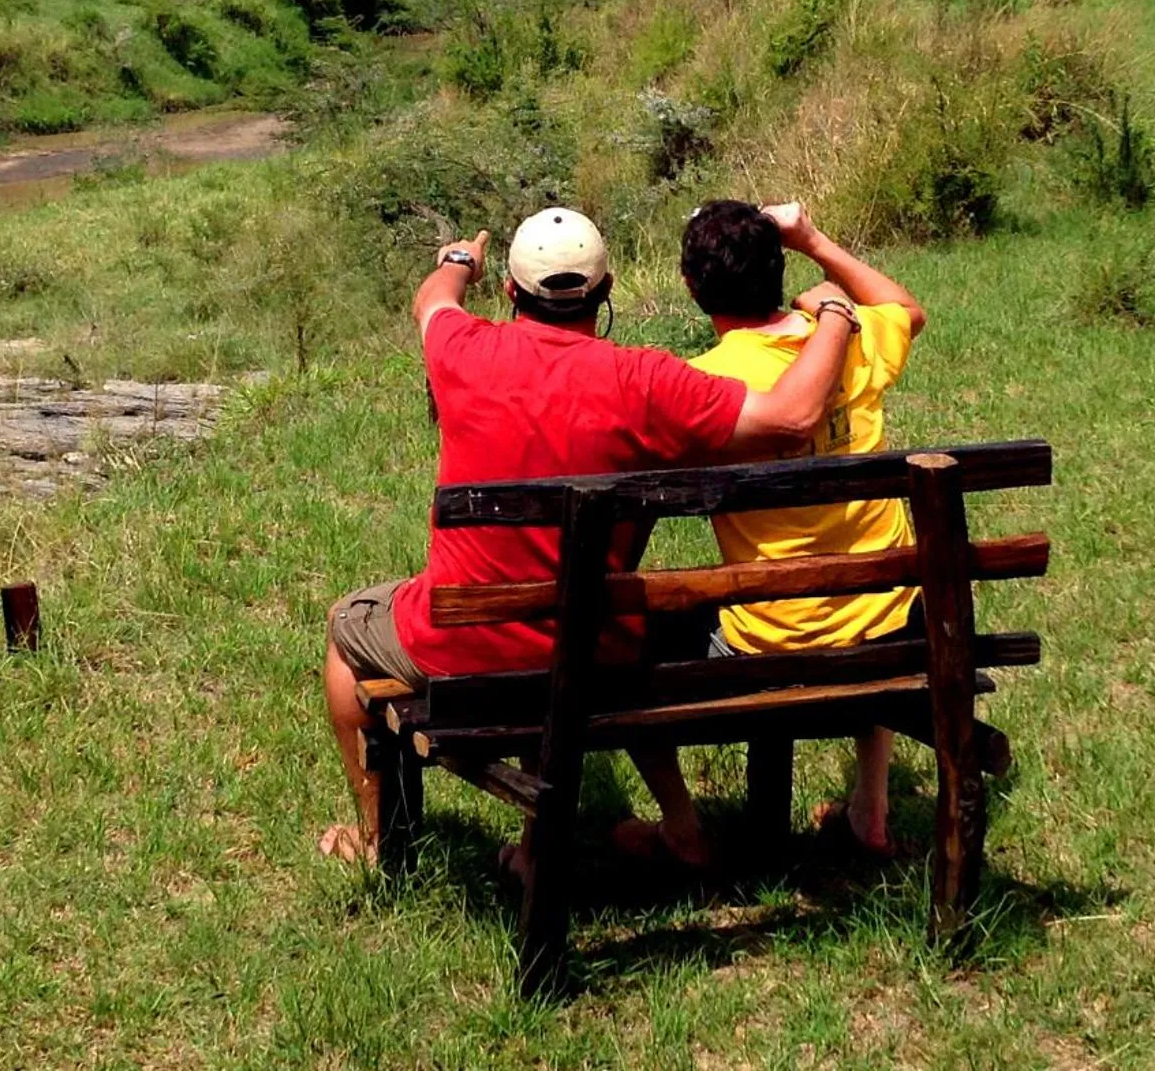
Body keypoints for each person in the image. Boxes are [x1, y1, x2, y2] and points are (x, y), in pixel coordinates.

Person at [319, 205, 859, 867]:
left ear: (513, 293)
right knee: (604, 616)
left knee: (348, 630)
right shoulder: (647, 382)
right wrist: (835, 315)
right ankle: (677, 824)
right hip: (599, 652)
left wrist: (460, 262)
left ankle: (377, 844)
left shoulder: (462, 350)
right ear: (606, 291)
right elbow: (791, 416)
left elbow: (432, 300)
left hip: (467, 649)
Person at [618, 200, 927, 866]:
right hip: (888, 623)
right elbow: (908, 310)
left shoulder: (702, 385)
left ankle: (680, 826)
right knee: (872, 561)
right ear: (777, 270)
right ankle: (869, 809)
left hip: (771, 640)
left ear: (693, 288)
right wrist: (816, 239)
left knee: (615, 642)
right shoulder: (849, 338)